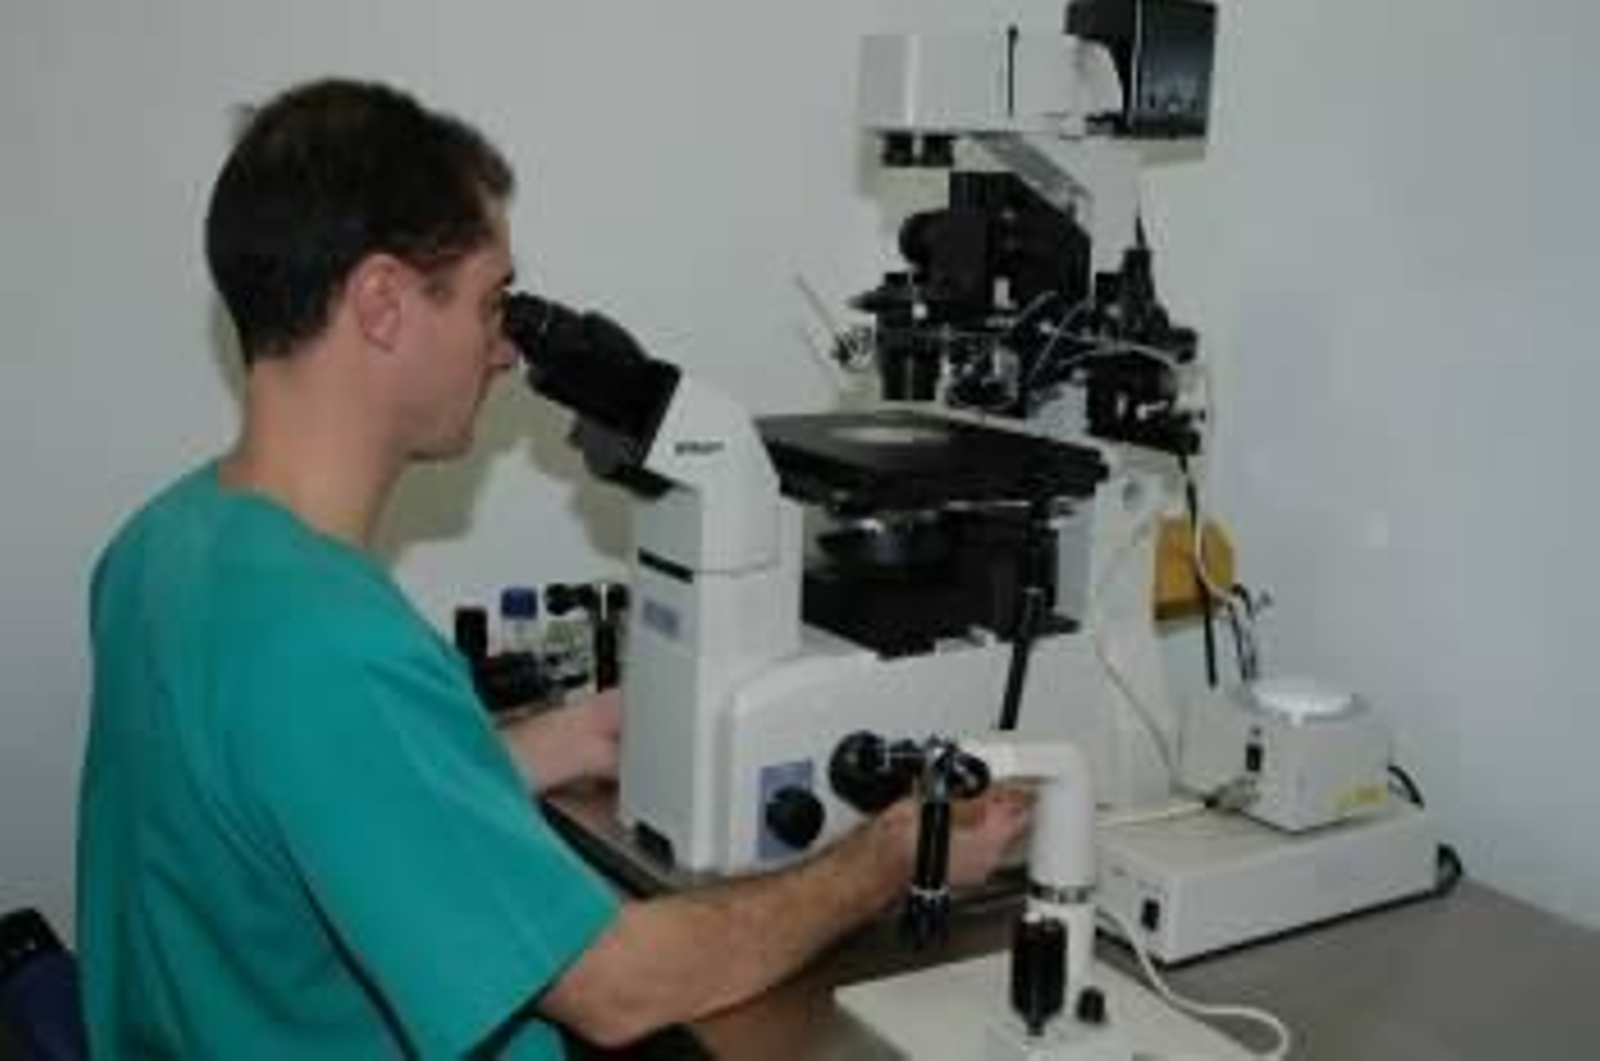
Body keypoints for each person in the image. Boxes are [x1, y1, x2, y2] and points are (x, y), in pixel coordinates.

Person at [76, 78, 1030, 1058]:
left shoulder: (162, 547)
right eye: (492, 306)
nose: (502, 353)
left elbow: (303, 800)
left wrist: (552, 742)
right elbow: (614, 986)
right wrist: (885, 856)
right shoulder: (331, 644)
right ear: (381, 302)